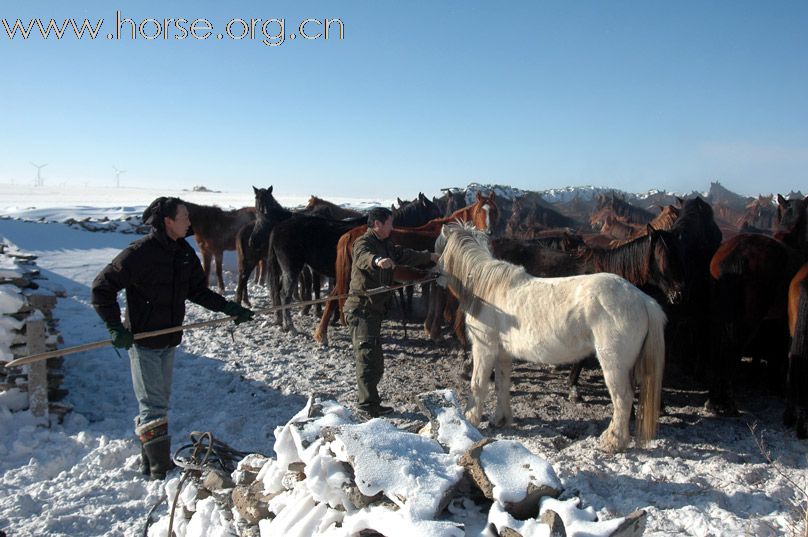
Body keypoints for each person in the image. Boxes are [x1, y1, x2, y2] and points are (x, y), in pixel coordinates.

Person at [91, 197, 254, 480]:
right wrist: (114, 327)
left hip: (169, 337)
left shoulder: (183, 252)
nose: (189, 222)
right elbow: (102, 287)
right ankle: (158, 468)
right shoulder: (140, 253)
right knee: (153, 404)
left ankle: (149, 461)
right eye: (184, 217)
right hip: (144, 340)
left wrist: (228, 308)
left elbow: (197, 291)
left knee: (157, 401)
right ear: (168, 221)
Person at [343, 207, 439, 417]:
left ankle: (372, 403)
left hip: (374, 311)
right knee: (367, 358)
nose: (392, 227)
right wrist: (377, 261)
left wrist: (430, 256)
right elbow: (363, 257)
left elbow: (405, 255)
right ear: (377, 224)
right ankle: (366, 407)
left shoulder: (385, 244)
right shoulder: (364, 242)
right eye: (389, 223)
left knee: (374, 359)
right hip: (361, 309)